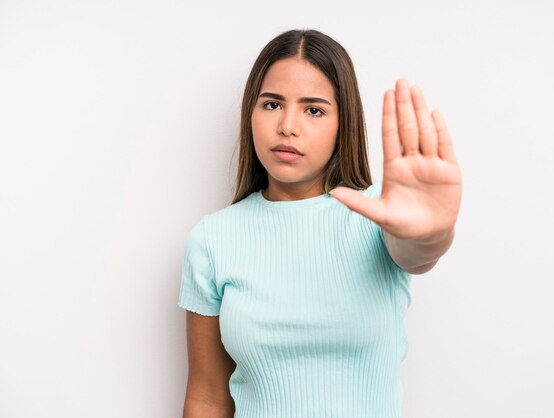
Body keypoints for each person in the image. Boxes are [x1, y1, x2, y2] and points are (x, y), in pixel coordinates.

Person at [178, 28, 462, 418]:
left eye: (314, 109)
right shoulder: (212, 240)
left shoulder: (379, 215)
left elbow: (418, 251)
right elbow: (208, 396)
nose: (288, 126)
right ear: (251, 112)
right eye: (272, 104)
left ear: (342, 123)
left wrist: (433, 232)